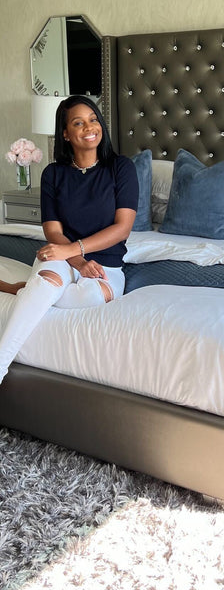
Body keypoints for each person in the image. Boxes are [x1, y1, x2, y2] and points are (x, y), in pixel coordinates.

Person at [0, 94, 139, 384]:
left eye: (93, 119)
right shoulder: (53, 174)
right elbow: (53, 231)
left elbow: (122, 228)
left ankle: (24, 290)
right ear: (65, 133)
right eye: (78, 123)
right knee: (47, 283)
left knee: (66, 293)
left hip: (106, 265)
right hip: (63, 257)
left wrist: (77, 251)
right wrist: (77, 259)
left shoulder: (121, 167)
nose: (89, 127)